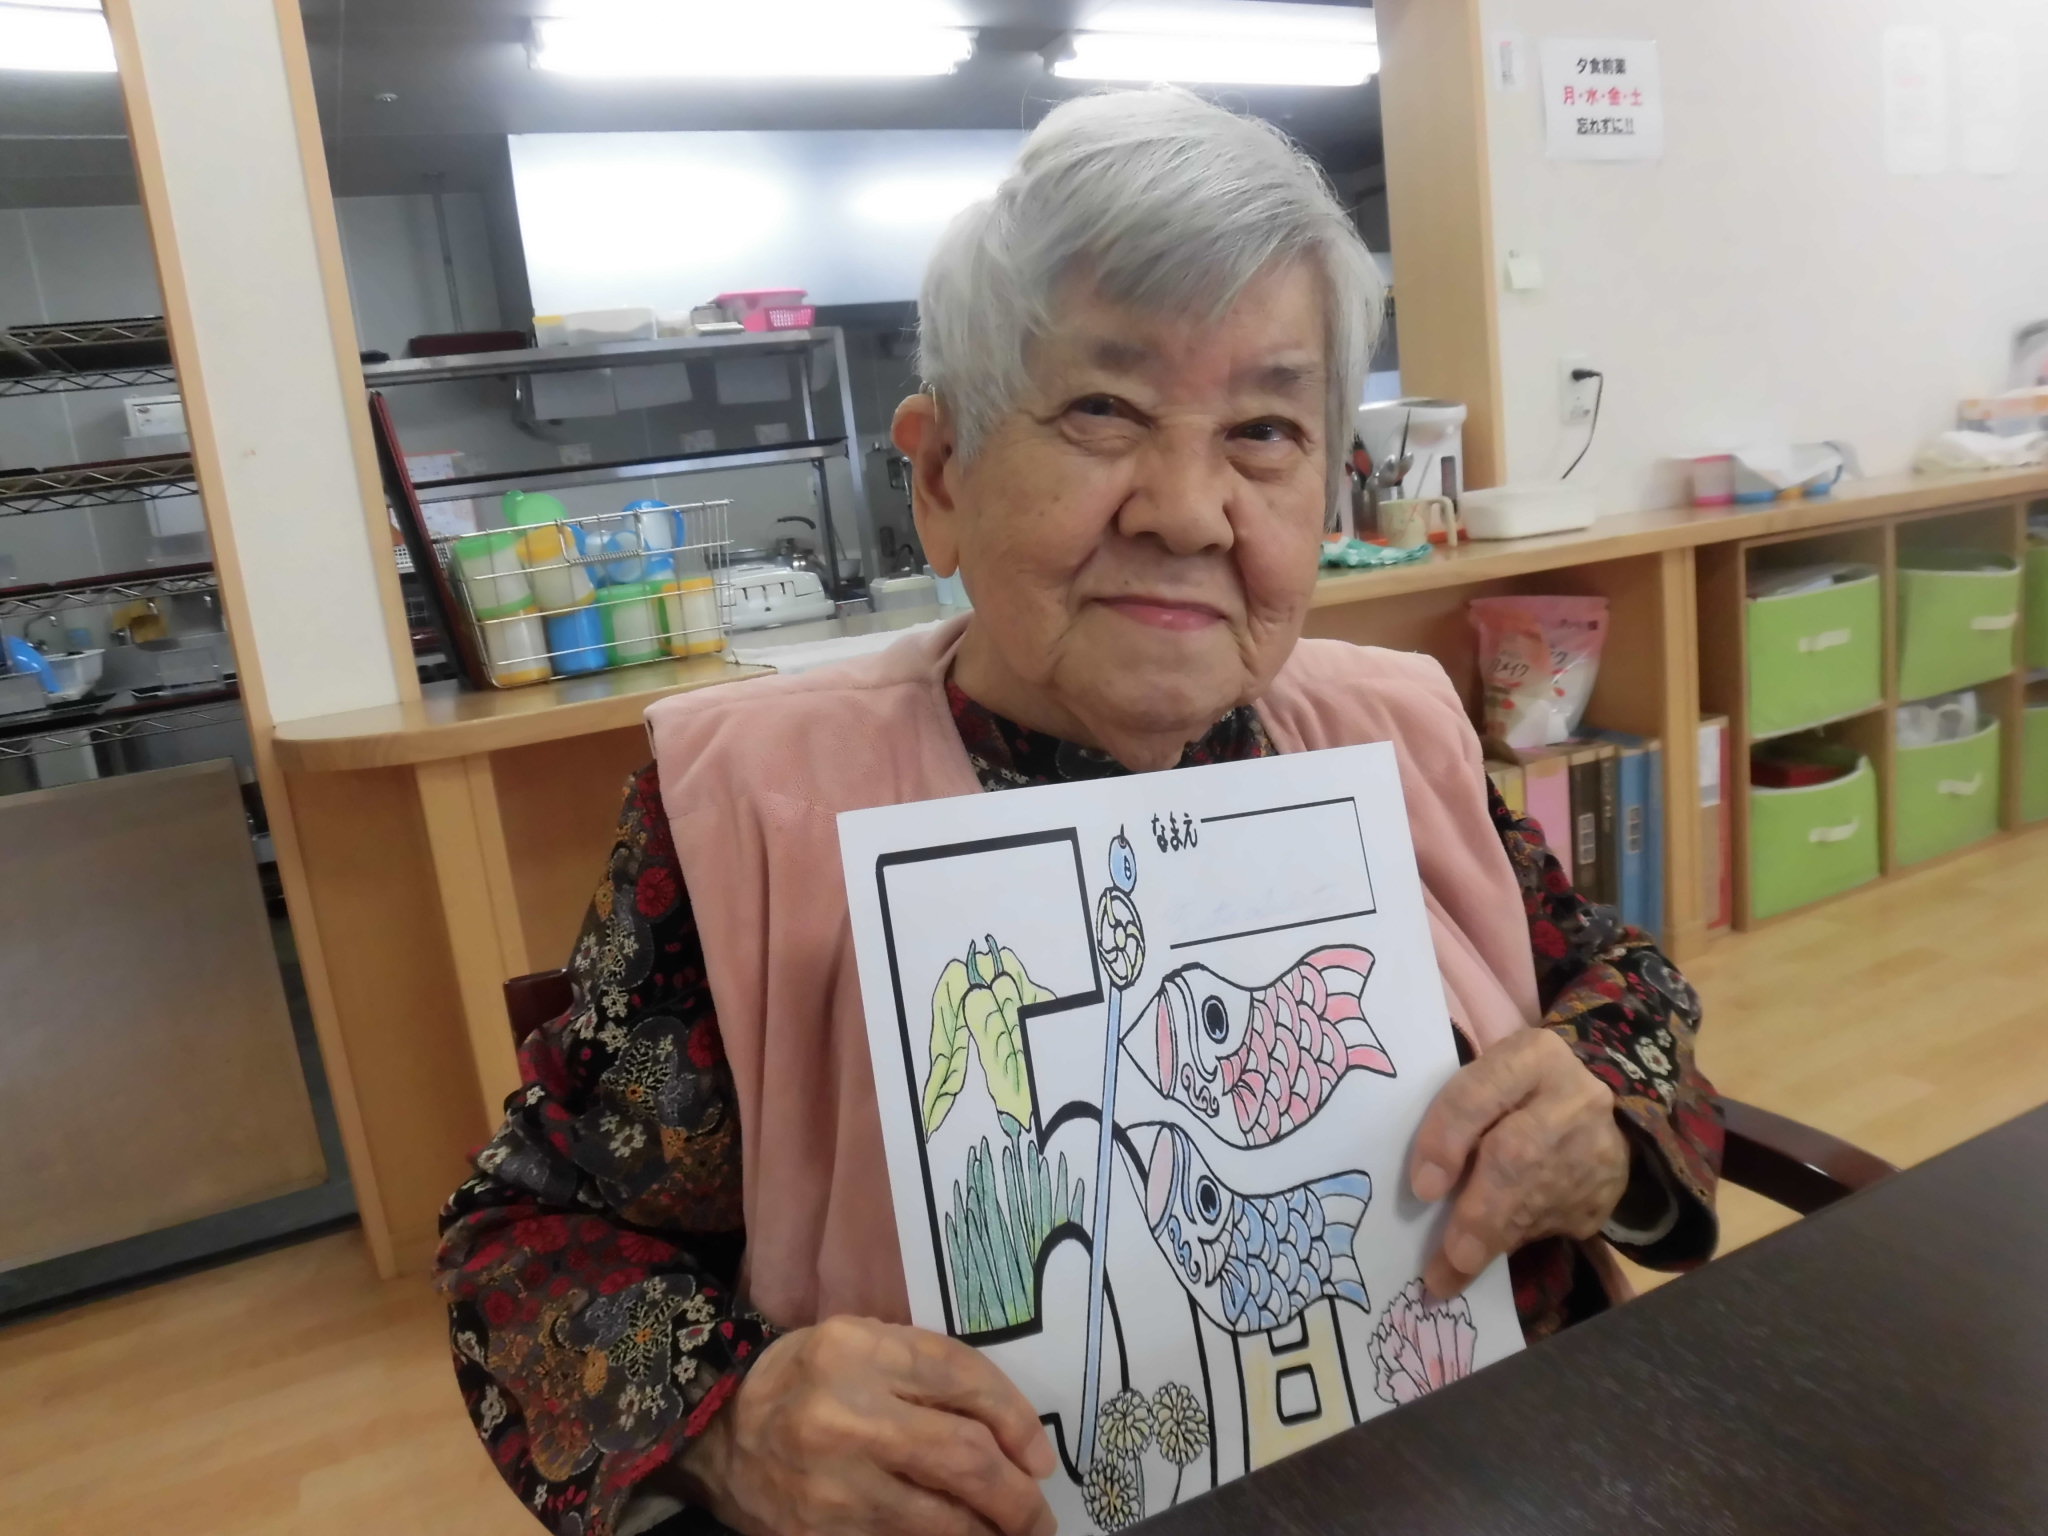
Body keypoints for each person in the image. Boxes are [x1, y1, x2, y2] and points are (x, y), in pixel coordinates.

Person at [436, 87, 1723, 1536]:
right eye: (1103, 410)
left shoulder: (1397, 727)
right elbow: (526, 1236)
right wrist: (736, 1422)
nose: (1188, 509)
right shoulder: (751, 804)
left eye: (1264, 430)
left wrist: (1604, 1118)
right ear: (941, 475)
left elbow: (1618, 984)